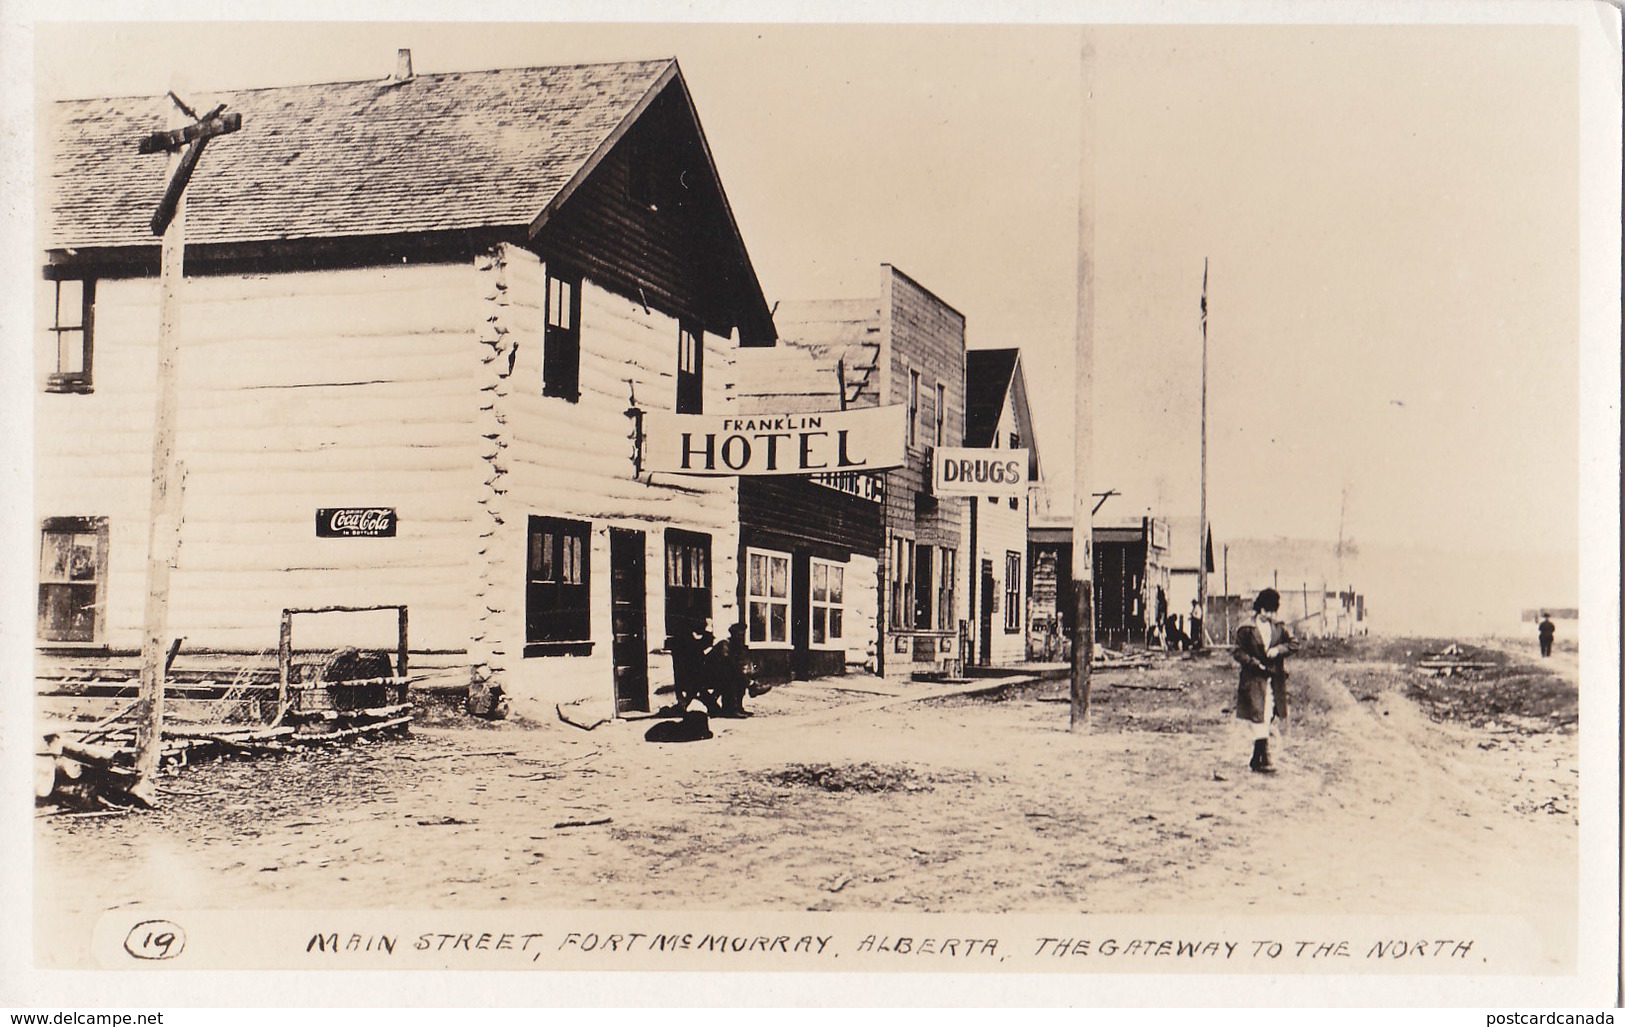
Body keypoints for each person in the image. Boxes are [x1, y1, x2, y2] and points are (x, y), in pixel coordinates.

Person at [1233, 588, 1293, 773]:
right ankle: (1264, 756)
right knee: (1259, 714)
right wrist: (1253, 663)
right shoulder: (1247, 629)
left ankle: (1256, 757)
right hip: (1253, 679)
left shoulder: (1279, 628)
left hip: (1273, 679)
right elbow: (1238, 652)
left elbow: (1294, 644)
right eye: (1266, 611)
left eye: (1273, 611)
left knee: (1268, 713)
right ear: (1260, 609)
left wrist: (1278, 650)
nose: (1270, 615)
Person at [704, 623, 754, 718]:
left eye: (743, 635)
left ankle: (738, 707)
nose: (741, 638)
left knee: (736, 675)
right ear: (733, 635)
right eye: (739, 635)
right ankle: (730, 709)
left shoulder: (737, 648)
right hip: (707, 676)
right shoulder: (724, 645)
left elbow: (739, 664)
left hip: (720, 675)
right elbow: (727, 662)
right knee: (731, 675)